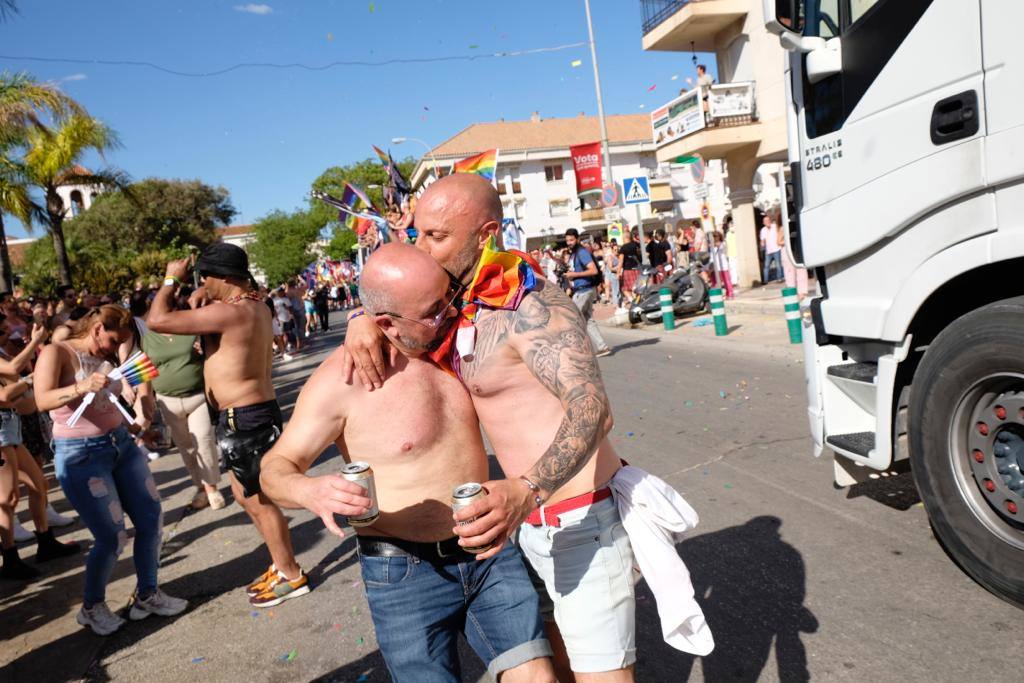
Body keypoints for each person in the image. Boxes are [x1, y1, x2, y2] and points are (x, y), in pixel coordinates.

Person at [343, 175, 639, 681]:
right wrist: (366, 318)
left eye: (436, 236)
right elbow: (406, 312)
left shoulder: (532, 307)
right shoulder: (468, 306)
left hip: (577, 521)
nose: (423, 249)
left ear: (486, 235)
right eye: (418, 235)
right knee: (560, 664)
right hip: (522, 526)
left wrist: (526, 491)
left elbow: (593, 410)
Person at [260, 243, 555, 683]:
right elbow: (274, 467)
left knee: (536, 678)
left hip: (488, 552)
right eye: (433, 311)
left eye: (448, 298)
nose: (450, 314)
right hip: (402, 572)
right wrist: (310, 489)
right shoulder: (341, 381)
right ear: (386, 322)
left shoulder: (458, 344)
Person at [147, 243, 308, 608]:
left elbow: (157, 319)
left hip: (247, 416)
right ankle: (282, 565)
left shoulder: (232, 312)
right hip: (245, 415)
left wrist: (173, 278)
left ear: (222, 276)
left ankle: (292, 574)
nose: (201, 282)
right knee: (246, 496)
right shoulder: (250, 306)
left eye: (205, 276)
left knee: (259, 499)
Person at [35, 305, 187, 635]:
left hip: (122, 445)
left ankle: (148, 594)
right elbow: (42, 399)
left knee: (151, 520)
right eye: (111, 340)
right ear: (98, 327)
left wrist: (138, 424)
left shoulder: (113, 355)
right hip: (81, 455)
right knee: (111, 536)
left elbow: (123, 393)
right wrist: (81, 387)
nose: (114, 349)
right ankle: (92, 607)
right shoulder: (56, 353)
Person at [142, 305, 225, 511]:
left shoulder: (190, 329)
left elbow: (211, 354)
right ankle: (200, 487)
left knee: (204, 440)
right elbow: (146, 370)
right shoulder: (149, 338)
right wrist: (145, 398)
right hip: (167, 400)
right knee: (186, 448)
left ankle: (212, 488)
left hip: (197, 396)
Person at [563, 228, 612, 357]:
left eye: (571, 240)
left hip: (584, 290)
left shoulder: (581, 252)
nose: (569, 242)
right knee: (588, 320)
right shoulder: (574, 253)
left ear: (577, 239)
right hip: (583, 289)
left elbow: (593, 270)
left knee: (571, 318)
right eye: (567, 240)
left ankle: (576, 350)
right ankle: (602, 347)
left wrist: (575, 274)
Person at [619, 228, 641, 305]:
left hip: (628, 270)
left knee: (625, 289)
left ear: (624, 238)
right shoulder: (636, 245)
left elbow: (621, 261)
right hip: (638, 269)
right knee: (638, 287)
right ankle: (638, 301)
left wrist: (618, 272)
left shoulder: (623, 248)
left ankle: (633, 301)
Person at [760, 214, 784, 284]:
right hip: (768, 251)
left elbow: (780, 233)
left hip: (777, 249)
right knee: (766, 266)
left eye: (768, 220)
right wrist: (762, 245)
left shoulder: (775, 226)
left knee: (778, 264)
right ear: (763, 223)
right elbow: (762, 240)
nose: (767, 222)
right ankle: (765, 280)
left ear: (770, 221)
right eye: (765, 221)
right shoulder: (763, 230)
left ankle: (779, 278)